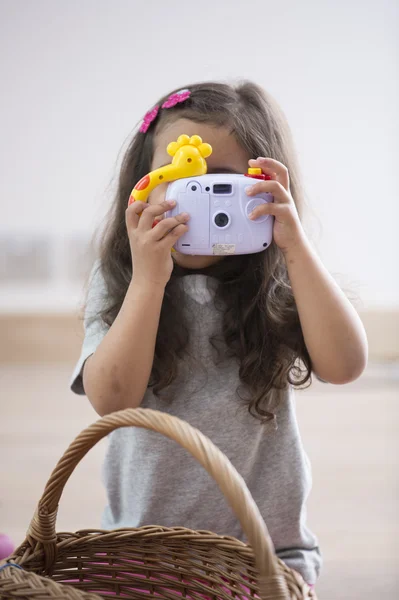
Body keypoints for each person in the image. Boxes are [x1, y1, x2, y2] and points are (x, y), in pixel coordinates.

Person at [71, 81, 368, 588]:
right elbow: (111, 400)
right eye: (184, 180)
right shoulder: (121, 278)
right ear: (143, 185)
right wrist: (149, 280)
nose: (198, 206)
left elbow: (345, 366)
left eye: (221, 184)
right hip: (143, 550)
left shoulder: (275, 280)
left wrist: (294, 247)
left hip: (266, 553)